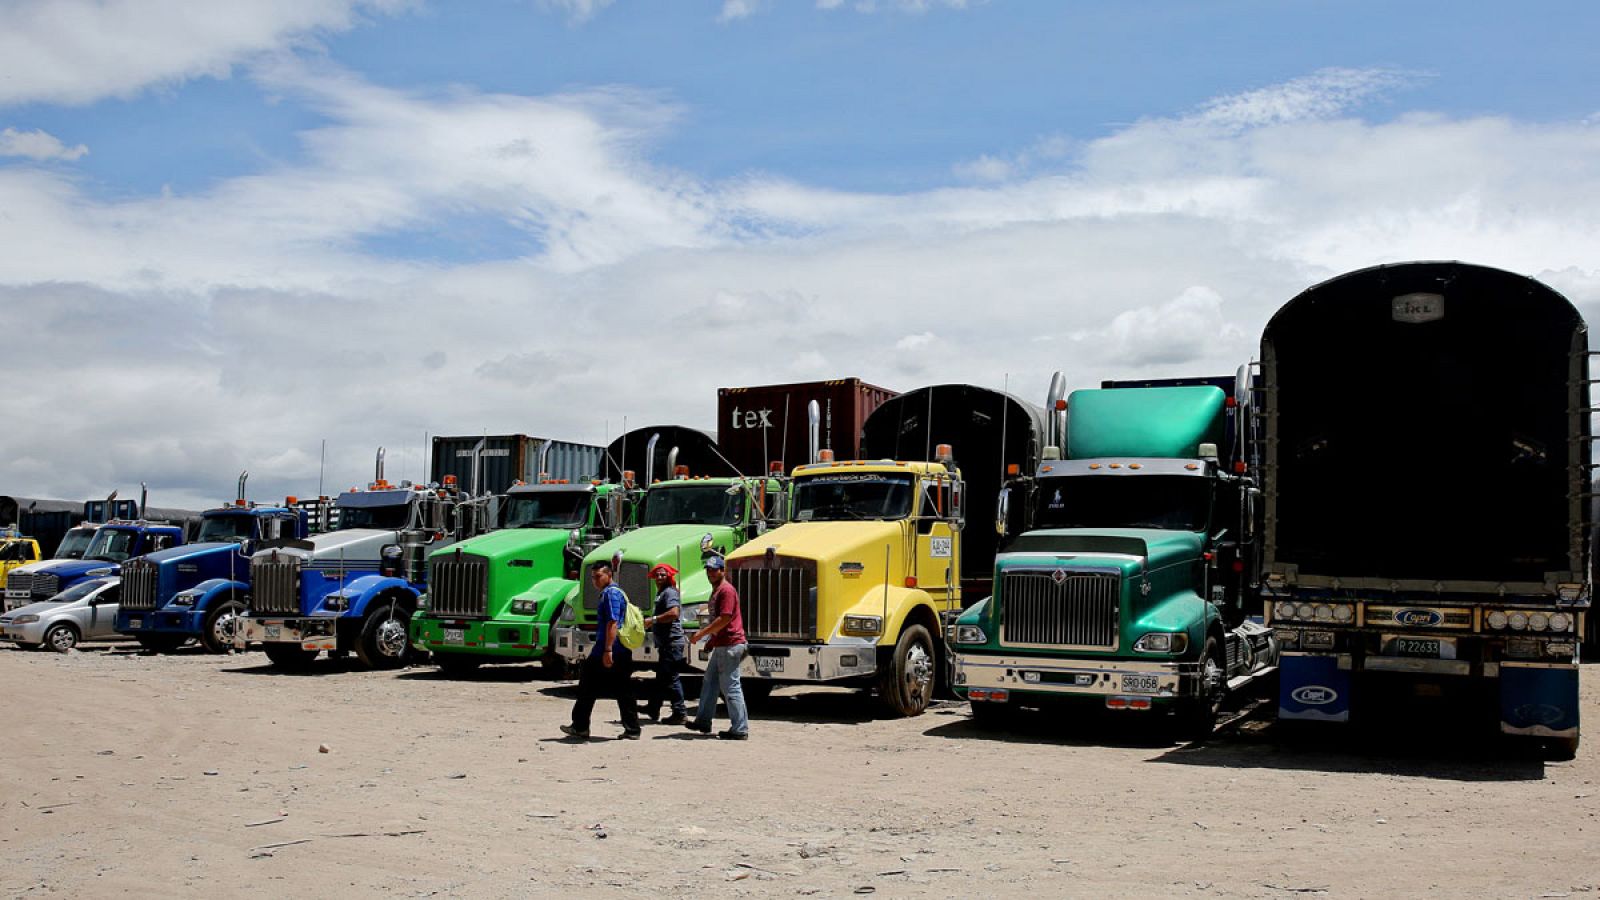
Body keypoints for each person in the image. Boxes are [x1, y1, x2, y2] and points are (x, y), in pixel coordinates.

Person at [561, 560, 641, 740]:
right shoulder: (617, 592)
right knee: (622, 690)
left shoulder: (610, 594)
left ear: (608, 575)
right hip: (617, 649)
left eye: (598, 576)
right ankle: (632, 729)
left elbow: (612, 623)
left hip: (609, 650)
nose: (595, 581)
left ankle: (581, 726)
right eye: (592, 577)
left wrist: (608, 650)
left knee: (589, 687)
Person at [685, 555, 749, 740]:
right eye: (709, 570)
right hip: (722, 644)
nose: (711, 573)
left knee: (731, 687)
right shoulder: (716, 590)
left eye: (715, 570)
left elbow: (725, 618)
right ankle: (703, 721)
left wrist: (701, 634)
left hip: (730, 645)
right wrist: (712, 641)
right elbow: (721, 622)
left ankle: (740, 729)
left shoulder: (726, 591)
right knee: (710, 682)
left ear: (723, 571)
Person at [640, 563, 688, 725]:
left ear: (669, 576)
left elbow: (674, 613)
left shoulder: (669, 593)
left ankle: (680, 712)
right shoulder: (662, 593)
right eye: (657, 575)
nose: (660, 577)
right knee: (661, 677)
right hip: (666, 643)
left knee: (671, 678)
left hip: (671, 642)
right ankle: (653, 708)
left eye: (663, 575)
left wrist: (652, 620)